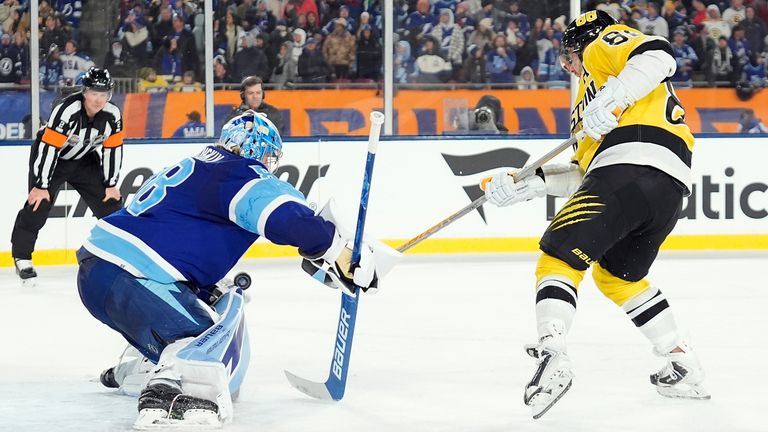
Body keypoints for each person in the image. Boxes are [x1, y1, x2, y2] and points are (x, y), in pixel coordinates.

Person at [76, 111, 391, 428]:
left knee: (208, 301)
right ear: (259, 150)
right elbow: (289, 220)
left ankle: (136, 368)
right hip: (132, 276)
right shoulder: (239, 173)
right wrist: (338, 251)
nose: (270, 165)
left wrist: (329, 258)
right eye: (270, 156)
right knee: (212, 334)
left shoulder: (201, 166)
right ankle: (173, 392)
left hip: (100, 269)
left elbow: (178, 236)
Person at [481, 10, 710, 419]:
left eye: (570, 54)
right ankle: (684, 362)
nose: (569, 64)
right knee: (619, 276)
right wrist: (527, 183)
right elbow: (585, 175)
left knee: (558, 255)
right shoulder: (586, 105)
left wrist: (615, 94)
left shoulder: (603, 46)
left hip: (633, 165)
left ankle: (553, 353)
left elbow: (660, 56)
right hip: (665, 187)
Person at [11, 67, 123, 286]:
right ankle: (22, 257)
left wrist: (111, 183)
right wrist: (41, 184)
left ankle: (121, 257)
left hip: (84, 161)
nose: (98, 99)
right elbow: (49, 147)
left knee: (112, 207)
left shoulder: (112, 115)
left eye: (103, 94)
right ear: (84, 91)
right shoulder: (67, 109)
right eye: (93, 93)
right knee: (38, 204)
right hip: (52, 159)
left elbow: (113, 149)